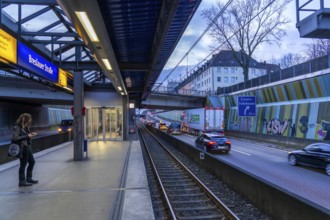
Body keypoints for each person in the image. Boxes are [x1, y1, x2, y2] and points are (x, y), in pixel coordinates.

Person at [12, 113, 38, 187]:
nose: (30, 121)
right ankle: (22, 181)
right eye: (29, 120)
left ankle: (28, 178)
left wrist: (31, 134)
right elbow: (15, 138)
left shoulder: (25, 127)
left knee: (32, 162)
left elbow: (26, 136)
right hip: (22, 147)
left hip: (27, 147)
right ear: (25, 119)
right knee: (23, 164)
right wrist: (27, 136)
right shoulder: (17, 127)